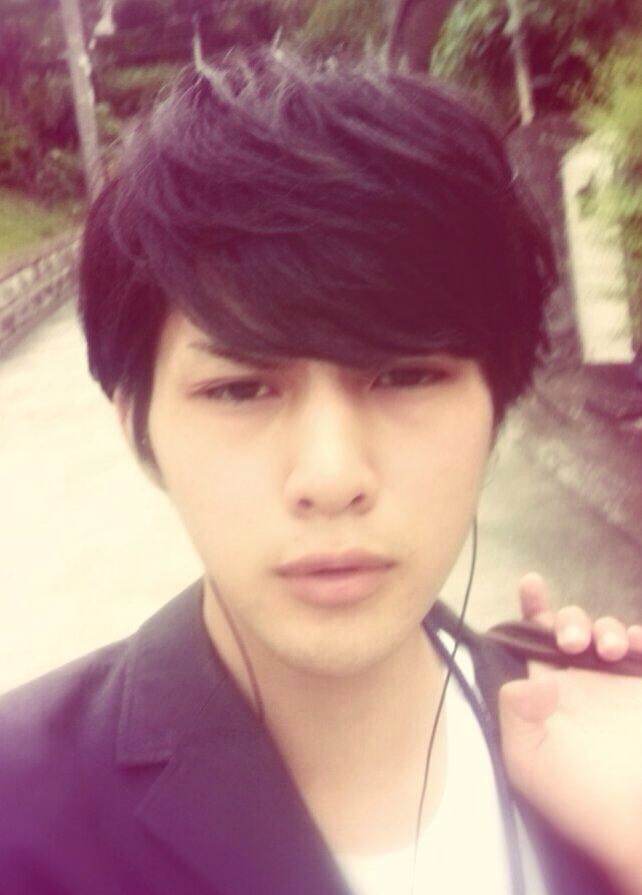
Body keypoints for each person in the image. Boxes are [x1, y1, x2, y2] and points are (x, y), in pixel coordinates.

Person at [1, 45, 641, 895]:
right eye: (240, 389)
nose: (332, 476)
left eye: (405, 375)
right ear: (139, 429)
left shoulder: (604, 755)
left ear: (500, 404)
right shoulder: (20, 817)